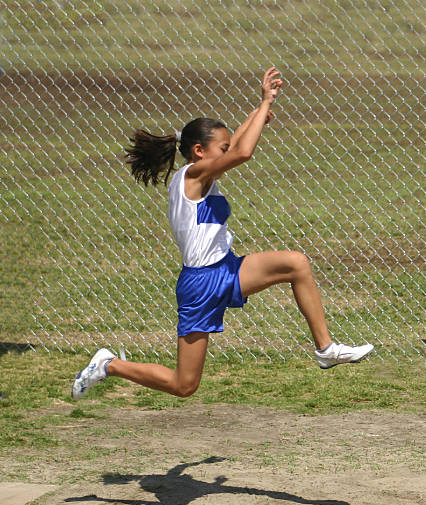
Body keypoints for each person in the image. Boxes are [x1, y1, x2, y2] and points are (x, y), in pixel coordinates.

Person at [71, 67, 373, 401]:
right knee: (184, 385)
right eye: (221, 147)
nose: (226, 153)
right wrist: (262, 104)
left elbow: (233, 149)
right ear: (199, 151)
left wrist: (260, 112)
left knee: (296, 263)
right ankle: (109, 365)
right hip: (201, 284)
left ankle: (326, 349)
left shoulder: (199, 172)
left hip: (226, 269)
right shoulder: (193, 176)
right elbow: (242, 153)